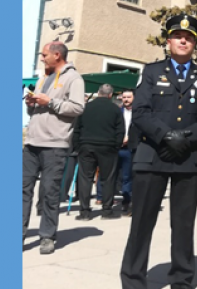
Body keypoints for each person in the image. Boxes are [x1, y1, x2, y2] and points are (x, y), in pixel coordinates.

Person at [119, 14, 197, 289]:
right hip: (152, 157)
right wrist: (166, 136)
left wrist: (185, 138)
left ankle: (182, 285)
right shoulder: (151, 72)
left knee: (183, 225)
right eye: (177, 35)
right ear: (169, 40)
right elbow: (141, 111)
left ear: (195, 43)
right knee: (141, 225)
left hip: (187, 159)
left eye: (189, 37)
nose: (183, 40)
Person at [23, 42, 85, 255]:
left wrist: (51, 102)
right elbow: (38, 110)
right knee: (22, 191)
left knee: (49, 192)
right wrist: (31, 104)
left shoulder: (74, 78)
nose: (41, 58)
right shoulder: (43, 77)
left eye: (44, 54)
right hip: (32, 143)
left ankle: (47, 236)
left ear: (57, 55)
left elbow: (78, 107)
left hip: (54, 145)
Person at [72, 83, 124, 220]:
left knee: (85, 179)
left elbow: (77, 128)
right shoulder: (115, 109)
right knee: (107, 179)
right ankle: (107, 211)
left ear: (98, 92)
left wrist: (77, 146)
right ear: (110, 95)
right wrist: (116, 145)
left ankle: (84, 212)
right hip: (108, 147)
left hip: (86, 145)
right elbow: (120, 130)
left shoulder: (86, 107)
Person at [117, 90, 140, 217]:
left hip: (131, 147)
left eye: (128, 97)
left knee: (128, 176)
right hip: (117, 146)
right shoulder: (118, 111)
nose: (126, 99)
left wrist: (129, 139)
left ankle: (127, 202)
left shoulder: (138, 113)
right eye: (124, 97)